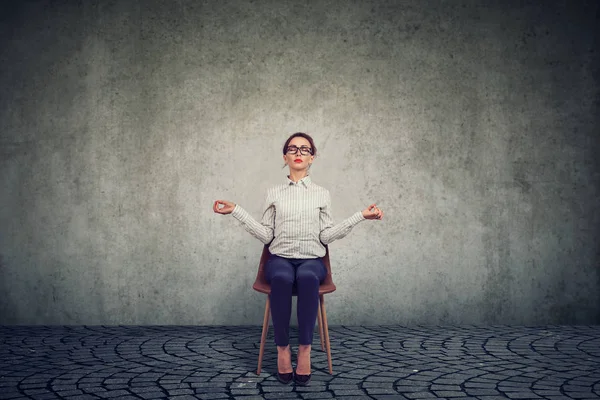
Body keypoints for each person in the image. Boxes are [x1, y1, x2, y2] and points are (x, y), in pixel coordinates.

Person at [213, 132, 383, 385]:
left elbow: (326, 235)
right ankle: (283, 350)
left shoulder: (322, 194)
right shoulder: (274, 192)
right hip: (279, 258)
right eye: (293, 149)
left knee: (306, 277)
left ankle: (305, 350)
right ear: (285, 157)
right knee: (281, 277)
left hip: (312, 261)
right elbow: (266, 234)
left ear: (312, 157)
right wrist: (236, 211)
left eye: (305, 149)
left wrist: (360, 216)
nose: (299, 153)